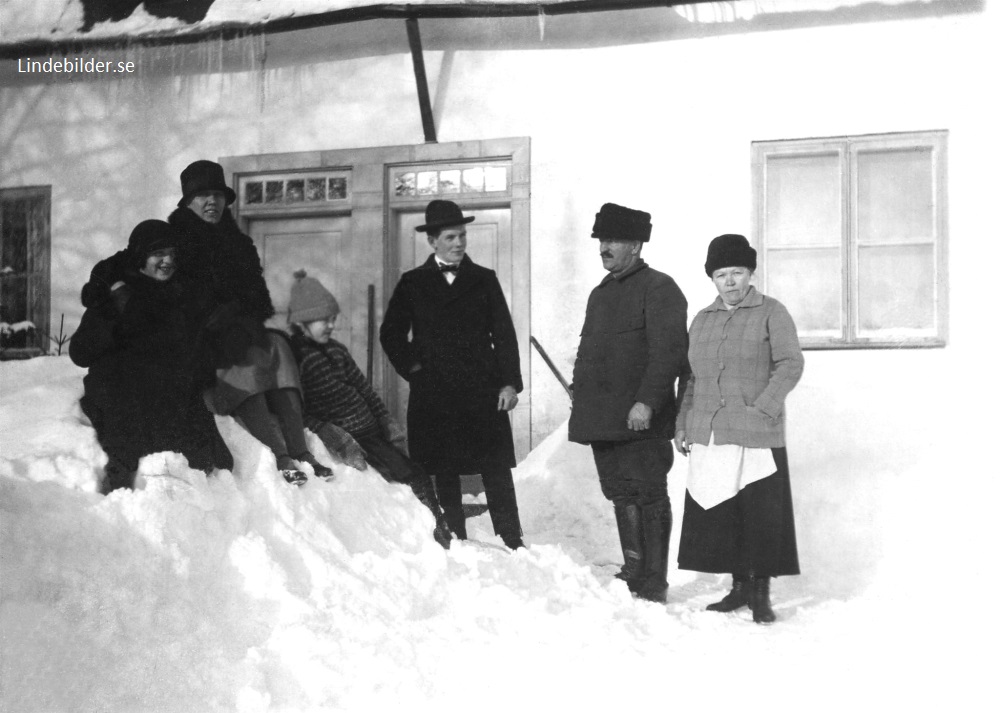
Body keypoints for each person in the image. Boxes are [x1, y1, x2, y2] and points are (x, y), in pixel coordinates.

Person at [80, 160, 331, 485]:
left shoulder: (239, 244)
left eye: (217, 194)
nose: (212, 201)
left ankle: (301, 450)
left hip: (231, 328)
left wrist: (236, 312)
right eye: (202, 195)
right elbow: (124, 260)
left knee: (279, 346)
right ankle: (281, 455)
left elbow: (257, 297)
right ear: (187, 201)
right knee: (248, 358)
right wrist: (102, 288)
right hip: (191, 332)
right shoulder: (173, 236)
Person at [673, 233, 804, 624]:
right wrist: (683, 424)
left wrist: (763, 408)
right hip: (711, 431)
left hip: (755, 433)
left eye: (737, 272)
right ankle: (738, 588)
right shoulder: (702, 319)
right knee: (725, 513)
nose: (729, 281)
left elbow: (790, 364)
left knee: (760, 515)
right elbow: (691, 378)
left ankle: (760, 594)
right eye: (721, 274)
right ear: (711, 279)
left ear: (750, 273)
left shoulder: (772, 312)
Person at [380, 200, 525, 549]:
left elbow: (504, 334)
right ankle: (455, 535)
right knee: (443, 466)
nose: (459, 243)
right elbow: (391, 334)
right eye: (450, 237)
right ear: (432, 241)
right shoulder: (412, 283)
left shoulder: (484, 280)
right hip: (435, 392)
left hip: (482, 389)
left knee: (495, 467)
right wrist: (416, 370)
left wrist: (508, 382)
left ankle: (512, 537)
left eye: (462, 236)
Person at [568, 203, 689, 603]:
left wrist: (647, 403)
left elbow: (668, 353)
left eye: (614, 240)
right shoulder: (599, 294)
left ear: (636, 246)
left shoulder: (660, 288)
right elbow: (592, 354)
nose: (604, 247)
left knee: (649, 493)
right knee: (621, 493)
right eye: (602, 240)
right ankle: (634, 567)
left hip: (641, 419)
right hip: (602, 419)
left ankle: (655, 578)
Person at [285, 270, 453, 548]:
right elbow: (297, 410)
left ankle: (438, 527)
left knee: (416, 469)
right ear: (302, 322)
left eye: (332, 319)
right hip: (356, 439)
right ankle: (435, 533)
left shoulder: (337, 350)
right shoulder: (297, 360)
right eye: (323, 320)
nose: (330, 325)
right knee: (414, 477)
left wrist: (386, 419)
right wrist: (328, 432)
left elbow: (363, 388)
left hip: (373, 429)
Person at [70, 220, 233, 493]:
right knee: (136, 453)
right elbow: (80, 353)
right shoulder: (117, 294)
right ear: (140, 258)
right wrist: (113, 312)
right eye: (158, 254)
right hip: (121, 391)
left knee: (207, 454)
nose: (168, 261)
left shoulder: (177, 295)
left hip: (166, 389)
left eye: (172, 254)